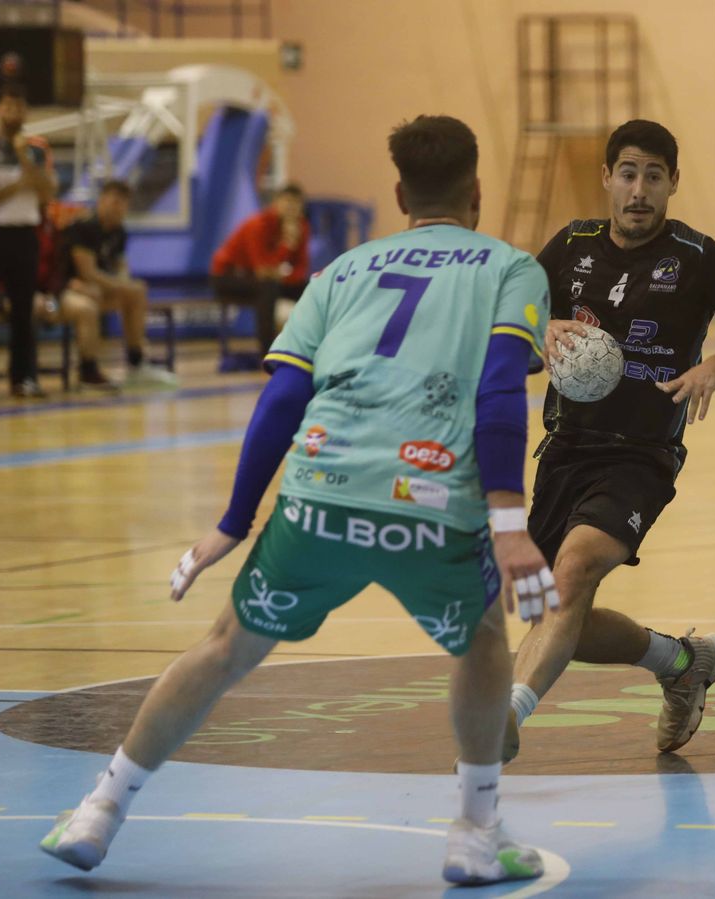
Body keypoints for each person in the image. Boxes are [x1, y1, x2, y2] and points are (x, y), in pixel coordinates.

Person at [39, 114, 557, 887]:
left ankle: (99, 810)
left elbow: (283, 396)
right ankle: (475, 834)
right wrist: (510, 525)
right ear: (477, 191)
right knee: (483, 636)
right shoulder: (513, 269)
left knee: (223, 648)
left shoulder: (341, 271)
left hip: (318, 495)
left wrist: (231, 522)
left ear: (398, 194)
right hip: (430, 506)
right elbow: (496, 394)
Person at [503, 120, 715, 762]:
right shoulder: (570, 246)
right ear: (608, 177)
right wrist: (539, 327)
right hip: (564, 450)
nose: (640, 190)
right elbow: (511, 326)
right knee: (554, 613)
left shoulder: (699, 259)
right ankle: (682, 662)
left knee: (573, 571)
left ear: (672, 184)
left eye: (655, 177)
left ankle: (507, 718)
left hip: (640, 455)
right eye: (629, 174)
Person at [0, 81, 55, 398]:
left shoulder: (38, 148)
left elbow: (47, 192)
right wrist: (21, 185)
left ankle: (23, 378)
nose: (13, 111)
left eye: (18, 106)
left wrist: (24, 159)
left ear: (26, 111)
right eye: (7, 106)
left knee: (23, 310)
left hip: (24, 234)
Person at [57, 180, 177, 388]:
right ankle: (88, 369)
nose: (118, 207)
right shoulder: (84, 227)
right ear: (101, 201)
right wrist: (122, 285)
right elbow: (88, 273)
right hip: (67, 287)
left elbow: (121, 268)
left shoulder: (119, 231)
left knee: (136, 293)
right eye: (114, 202)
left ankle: (136, 362)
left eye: (122, 203)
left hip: (96, 290)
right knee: (92, 302)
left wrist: (126, 285)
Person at [210, 184, 310, 359]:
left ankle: (313, 346)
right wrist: (286, 245)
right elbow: (262, 270)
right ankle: (268, 352)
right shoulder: (258, 225)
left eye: (296, 204)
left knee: (311, 288)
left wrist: (286, 276)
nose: (291, 209)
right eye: (287, 203)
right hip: (227, 277)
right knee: (268, 289)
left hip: (270, 279)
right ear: (275, 203)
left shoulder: (302, 227)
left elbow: (300, 268)